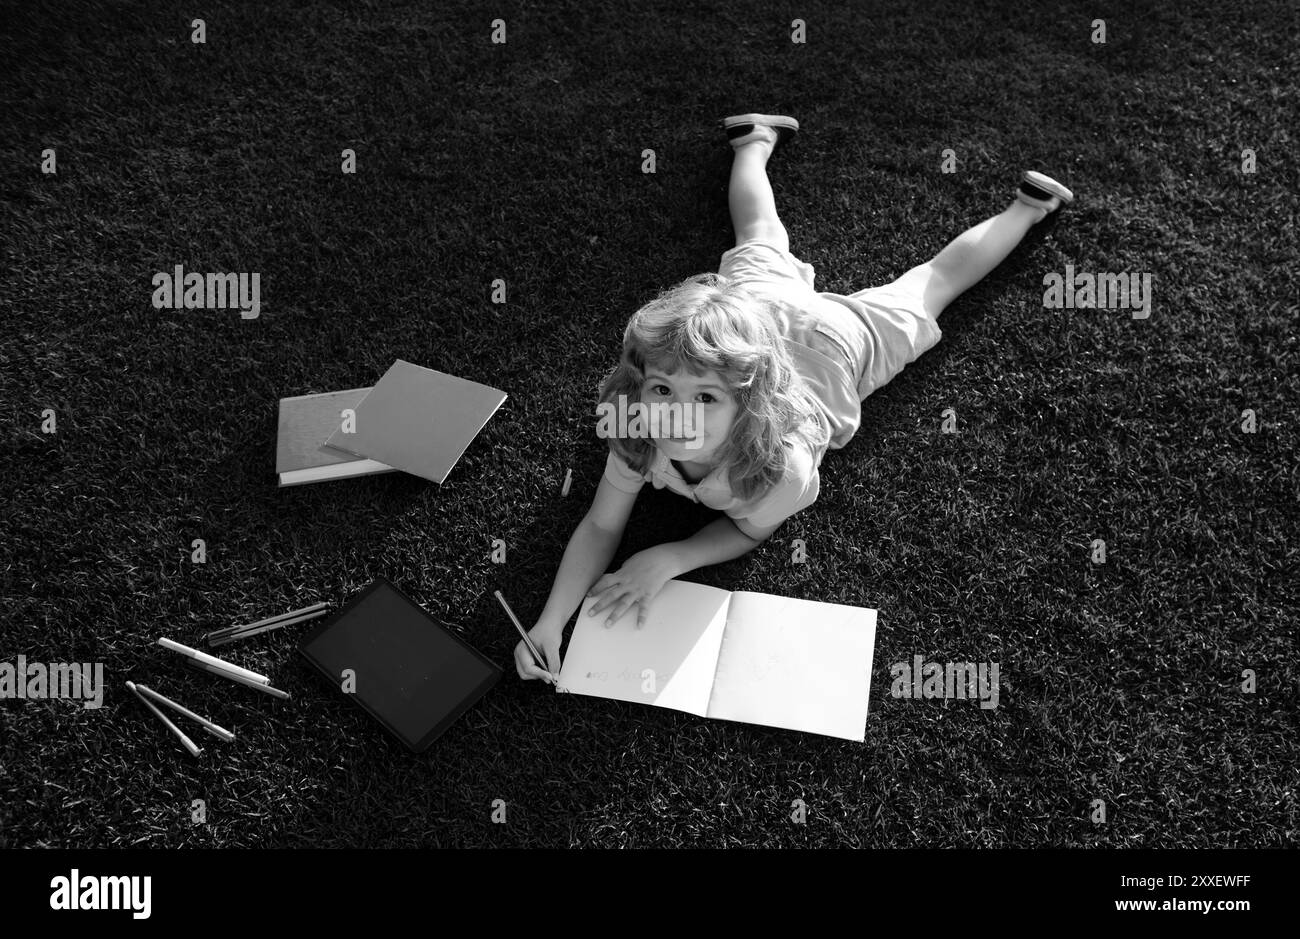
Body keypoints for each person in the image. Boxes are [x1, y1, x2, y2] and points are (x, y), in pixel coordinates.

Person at [515, 112, 1073, 682]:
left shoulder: (781, 470)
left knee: (933, 283)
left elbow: (747, 531)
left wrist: (674, 556)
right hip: (752, 316)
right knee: (758, 234)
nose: (675, 413)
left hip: (835, 341)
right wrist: (550, 621)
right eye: (662, 388)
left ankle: (1027, 208)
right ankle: (753, 140)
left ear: (752, 404)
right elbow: (602, 525)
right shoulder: (637, 423)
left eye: (705, 399)